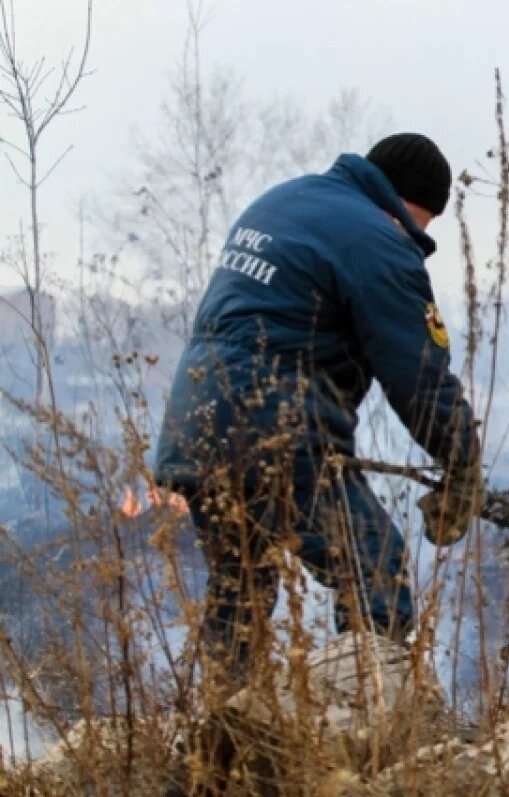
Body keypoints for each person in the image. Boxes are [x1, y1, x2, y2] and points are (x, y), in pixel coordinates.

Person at [153, 132, 483, 689]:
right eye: (424, 223)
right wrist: (464, 466)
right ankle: (362, 736)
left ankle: (220, 749)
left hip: (194, 428)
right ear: (409, 203)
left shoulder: (284, 201)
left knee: (240, 595)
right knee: (374, 569)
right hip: (273, 432)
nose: (420, 236)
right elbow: (418, 377)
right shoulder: (379, 239)